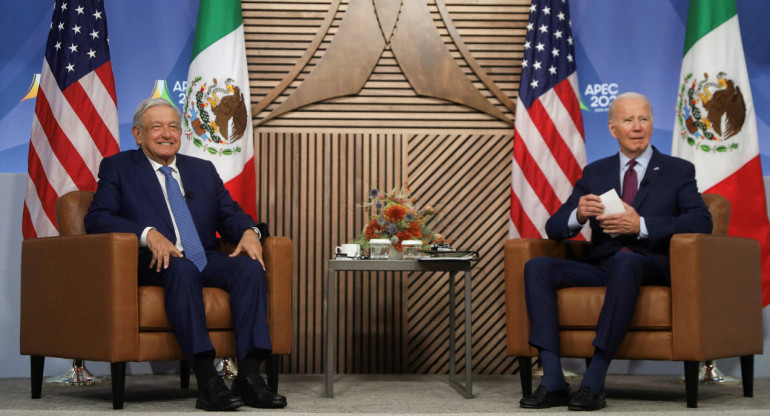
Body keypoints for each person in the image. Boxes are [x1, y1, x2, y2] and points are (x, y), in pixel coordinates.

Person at [84, 98, 286, 411]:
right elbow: (97, 218)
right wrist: (147, 234)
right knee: (182, 269)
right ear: (138, 134)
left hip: (202, 256)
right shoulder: (119, 167)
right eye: (156, 127)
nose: (166, 133)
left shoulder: (202, 170)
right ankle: (206, 378)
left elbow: (230, 214)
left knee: (249, 268)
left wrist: (250, 231)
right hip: (154, 262)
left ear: (181, 133)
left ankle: (248, 375)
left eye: (173, 127)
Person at [519, 92, 713, 411]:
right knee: (537, 267)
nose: (637, 127)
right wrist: (578, 214)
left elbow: (700, 221)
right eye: (628, 120)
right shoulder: (595, 172)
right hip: (602, 264)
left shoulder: (678, 170)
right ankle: (553, 379)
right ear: (612, 128)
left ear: (652, 124)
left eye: (644, 119)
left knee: (626, 260)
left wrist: (642, 225)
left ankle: (594, 379)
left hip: (651, 265)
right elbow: (554, 227)